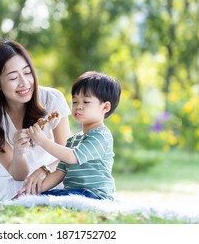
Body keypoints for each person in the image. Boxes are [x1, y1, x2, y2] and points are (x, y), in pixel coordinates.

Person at [0, 40, 71, 200]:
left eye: (27, 72)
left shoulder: (52, 99)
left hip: (51, 173)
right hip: (10, 181)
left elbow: (69, 156)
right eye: (13, 78)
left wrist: (45, 169)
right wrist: (18, 151)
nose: (24, 83)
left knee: (66, 183)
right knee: (19, 191)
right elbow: (18, 174)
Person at [18, 71, 121, 200]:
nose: (78, 107)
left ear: (105, 107)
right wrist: (33, 192)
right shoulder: (73, 140)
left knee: (64, 198)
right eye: (75, 102)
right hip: (73, 192)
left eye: (86, 102)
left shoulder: (101, 136)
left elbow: (73, 157)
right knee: (44, 197)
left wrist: (43, 141)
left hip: (94, 194)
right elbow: (60, 173)